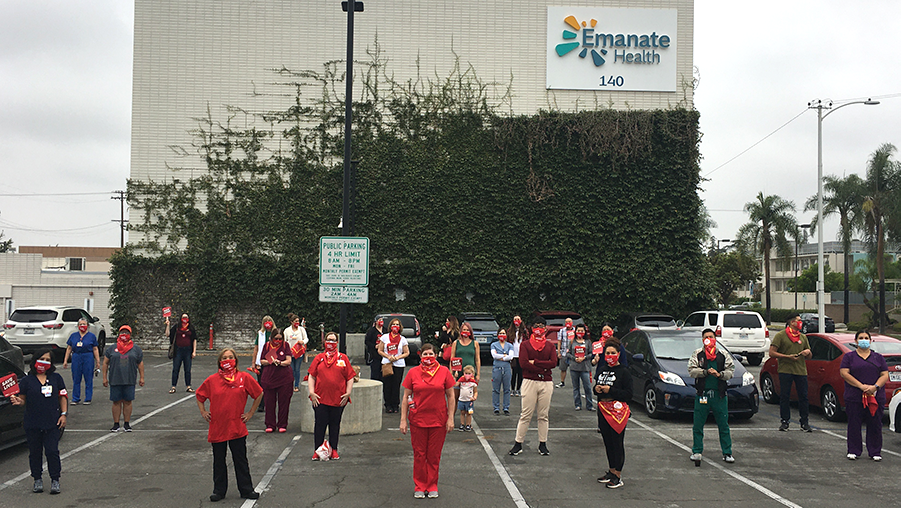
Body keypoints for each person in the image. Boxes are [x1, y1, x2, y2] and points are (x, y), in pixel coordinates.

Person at [195, 348, 263, 502]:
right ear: (220, 362)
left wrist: (250, 413)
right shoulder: (212, 380)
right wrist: (203, 411)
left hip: (236, 426)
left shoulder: (244, 377)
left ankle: (246, 489)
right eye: (224, 358)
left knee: (240, 460)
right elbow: (200, 395)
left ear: (236, 360)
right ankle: (219, 491)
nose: (227, 360)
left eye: (230, 357)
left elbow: (258, 393)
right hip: (218, 426)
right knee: (219, 461)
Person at [399, 344, 455, 499]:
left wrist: (451, 418)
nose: (428, 357)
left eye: (431, 354)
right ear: (420, 356)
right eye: (425, 354)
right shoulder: (413, 372)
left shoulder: (444, 372)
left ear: (436, 355)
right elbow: (406, 397)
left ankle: (432, 485)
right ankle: (420, 485)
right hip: (418, 420)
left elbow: (451, 396)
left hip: (438, 421)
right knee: (419, 454)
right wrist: (403, 420)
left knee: (434, 455)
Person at [10, 348, 68, 494]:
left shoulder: (56, 378)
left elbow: (62, 396)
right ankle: (37, 479)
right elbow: (22, 400)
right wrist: (18, 401)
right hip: (33, 423)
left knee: (52, 451)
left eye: (48, 360)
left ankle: (55, 479)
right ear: (35, 360)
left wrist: (64, 414)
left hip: (52, 423)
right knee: (35, 453)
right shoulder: (27, 381)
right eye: (42, 359)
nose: (44, 362)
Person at [509, 316, 556, 456]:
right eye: (536, 325)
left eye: (542, 326)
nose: (539, 329)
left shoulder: (550, 346)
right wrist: (543, 367)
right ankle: (518, 443)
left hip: (546, 382)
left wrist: (534, 362)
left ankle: (543, 443)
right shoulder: (525, 345)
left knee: (543, 415)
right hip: (530, 381)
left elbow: (553, 363)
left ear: (545, 329)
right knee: (526, 414)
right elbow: (523, 364)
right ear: (531, 328)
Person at [839, 330, 889, 461]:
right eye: (861, 338)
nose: (864, 340)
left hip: (875, 396)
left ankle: (875, 451)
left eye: (866, 338)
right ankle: (854, 450)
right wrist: (861, 386)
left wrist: (875, 387)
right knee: (854, 423)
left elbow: (884, 375)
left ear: (871, 341)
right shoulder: (849, 357)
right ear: (856, 341)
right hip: (854, 396)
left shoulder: (878, 357)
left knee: (875, 424)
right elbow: (844, 373)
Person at [687, 329, 735, 464]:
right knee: (698, 424)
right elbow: (691, 370)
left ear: (715, 338)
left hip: (719, 395)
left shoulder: (723, 355)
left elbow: (731, 371)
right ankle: (697, 451)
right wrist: (705, 372)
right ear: (703, 340)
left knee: (723, 425)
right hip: (703, 395)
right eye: (706, 337)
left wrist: (720, 375)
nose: (709, 339)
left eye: (711, 337)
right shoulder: (698, 354)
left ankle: (727, 452)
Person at [308, 332, 355, 460]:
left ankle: (334, 449)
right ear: (324, 342)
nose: (331, 343)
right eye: (328, 340)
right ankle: (317, 450)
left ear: (337, 343)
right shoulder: (319, 358)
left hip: (338, 399)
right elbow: (312, 376)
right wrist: (312, 393)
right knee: (320, 425)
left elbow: (350, 377)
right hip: (320, 399)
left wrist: (348, 392)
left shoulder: (343, 358)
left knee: (335, 425)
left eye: (333, 340)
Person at [594, 337, 632, 489]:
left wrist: (611, 390)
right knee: (607, 441)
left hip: (617, 411)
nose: (609, 355)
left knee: (617, 442)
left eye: (612, 353)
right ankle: (610, 470)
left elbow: (628, 394)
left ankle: (618, 474)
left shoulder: (624, 371)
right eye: (607, 353)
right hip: (603, 408)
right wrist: (596, 389)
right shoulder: (602, 369)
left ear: (618, 353)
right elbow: (596, 386)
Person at [768, 313, 812, 432]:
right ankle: (785, 421)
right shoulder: (780, 336)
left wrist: (807, 352)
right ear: (792, 322)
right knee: (785, 396)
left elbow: (809, 356)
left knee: (803, 396)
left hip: (801, 371)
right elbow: (771, 353)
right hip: (785, 370)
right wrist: (787, 357)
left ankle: (804, 422)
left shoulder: (803, 337)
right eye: (798, 320)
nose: (800, 322)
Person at [102, 325, 145, 432]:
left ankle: (127, 423)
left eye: (126, 332)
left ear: (130, 335)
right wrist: (104, 378)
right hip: (115, 379)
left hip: (129, 379)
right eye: (122, 332)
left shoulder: (136, 349)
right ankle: (116, 423)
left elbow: (140, 364)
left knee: (127, 401)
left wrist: (142, 377)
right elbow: (105, 363)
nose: (124, 335)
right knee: (116, 401)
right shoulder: (112, 348)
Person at [259, 327, 293, 433]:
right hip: (269, 378)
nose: (278, 341)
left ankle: (282, 424)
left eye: (280, 339)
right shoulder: (267, 346)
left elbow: (289, 361)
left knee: (284, 402)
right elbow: (262, 361)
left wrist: (280, 363)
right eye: (276, 339)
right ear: (271, 338)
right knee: (269, 402)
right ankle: (270, 424)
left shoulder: (285, 345)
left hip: (284, 378)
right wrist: (271, 361)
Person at [62, 317, 100, 405]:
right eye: (80, 324)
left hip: (88, 356)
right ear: (78, 326)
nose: (82, 326)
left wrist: (97, 361)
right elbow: (69, 348)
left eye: (84, 324)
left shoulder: (91, 336)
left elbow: (95, 349)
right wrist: (65, 360)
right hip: (76, 356)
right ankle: (75, 398)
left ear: (88, 326)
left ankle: (88, 398)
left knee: (88, 378)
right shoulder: (73, 336)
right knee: (76, 378)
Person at [378, 318, 410, 413]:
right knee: (387, 385)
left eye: (397, 324)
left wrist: (398, 357)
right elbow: (380, 350)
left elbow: (407, 352)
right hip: (387, 363)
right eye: (393, 324)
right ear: (390, 326)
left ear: (400, 327)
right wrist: (388, 356)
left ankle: (395, 404)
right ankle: (388, 404)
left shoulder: (403, 339)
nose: (395, 326)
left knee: (396, 385)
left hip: (398, 364)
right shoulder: (384, 337)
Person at [166, 313, 197, 394]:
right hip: (178, 350)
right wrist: (168, 325)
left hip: (188, 351)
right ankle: (173, 386)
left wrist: (194, 351)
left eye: (186, 317)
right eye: (183, 317)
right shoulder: (176, 327)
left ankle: (188, 386)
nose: (184, 319)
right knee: (176, 369)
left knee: (187, 369)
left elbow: (194, 339)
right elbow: (168, 334)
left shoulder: (191, 328)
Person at [250, 316, 275, 412]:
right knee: (260, 384)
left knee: (270, 384)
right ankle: (261, 404)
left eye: (269, 321)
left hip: (271, 361)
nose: (268, 323)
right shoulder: (260, 333)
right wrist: (253, 362)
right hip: (260, 362)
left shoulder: (275, 333)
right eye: (266, 321)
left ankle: (269, 403)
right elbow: (256, 348)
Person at [567, 324, 594, 411]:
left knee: (587, 387)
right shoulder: (572, 341)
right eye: (578, 331)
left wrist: (584, 358)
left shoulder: (588, 342)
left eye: (582, 331)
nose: (580, 332)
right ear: (575, 331)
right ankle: (577, 404)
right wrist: (575, 358)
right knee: (576, 387)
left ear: (584, 332)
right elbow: (568, 353)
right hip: (574, 367)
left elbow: (591, 353)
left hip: (585, 368)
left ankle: (589, 405)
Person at [450, 321, 481, 392]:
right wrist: (451, 373)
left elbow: (477, 360)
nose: (466, 331)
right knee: (456, 396)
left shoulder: (475, 343)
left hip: (470, 373)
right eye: (464, 330)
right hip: (458, 373)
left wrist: (478, 374)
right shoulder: (456, 343)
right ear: (461, 331)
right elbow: (452, 359)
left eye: (467, 330)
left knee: (468, 396)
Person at [490, 328, 514, 415]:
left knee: (507, 389)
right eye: (500, 333)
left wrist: (502, 357)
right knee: (496, 389)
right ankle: (496, 407)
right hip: (497, 368)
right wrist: (504, 356)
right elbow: (494, 355)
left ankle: (506, 407)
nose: (502, 335)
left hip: (507, 368)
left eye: (503, 333)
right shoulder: (494, 345)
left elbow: (511, 357)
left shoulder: (510, 345)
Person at [285, 313, 309, 393]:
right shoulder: (287, 330)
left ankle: (296, 385)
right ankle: (290, 384)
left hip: (299, 353)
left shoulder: (301, 329)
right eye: (295, 321)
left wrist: (303, 341)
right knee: (291, 370)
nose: (297, 323)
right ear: (291, 322)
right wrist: (288, 347)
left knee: (297, 369)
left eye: (298, 321)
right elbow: (284, 341)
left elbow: (306, 339)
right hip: (290, 353)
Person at [509, 316, 528, 396]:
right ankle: (512, 389)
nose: (517, 321)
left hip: (521, 355)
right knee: (514, 373)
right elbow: (508, 342)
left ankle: (518, 389)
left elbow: (527, 341)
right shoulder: (510, 331)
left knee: (520, 373)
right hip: (513, 355)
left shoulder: (524, 331)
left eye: (518, 319)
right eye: (515, 319)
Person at [455, 365, 478, 431]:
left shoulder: (473, 383)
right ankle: (462, 424)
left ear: (472, 374)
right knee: (462, 412)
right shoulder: (461, 380)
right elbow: (455, 384)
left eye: (469, 373)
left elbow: (475, 391)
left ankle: (468, 424)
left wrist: (474, 397)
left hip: (469, 400)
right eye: (466, 373)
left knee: (469, 413)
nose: (467, 375)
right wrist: (455, 377)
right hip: (462, 399)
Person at [556, 317, 575, 388]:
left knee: (574, 369)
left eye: (569, 321)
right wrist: (559, 352)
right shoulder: (562, 331)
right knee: (563, 368)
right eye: (566, 322)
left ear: (572, 322)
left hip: (573, 353)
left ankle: (575, 383)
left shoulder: (575, 331)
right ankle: (562, 382)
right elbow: (559, 341)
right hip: (564, 352)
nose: (568, 323)